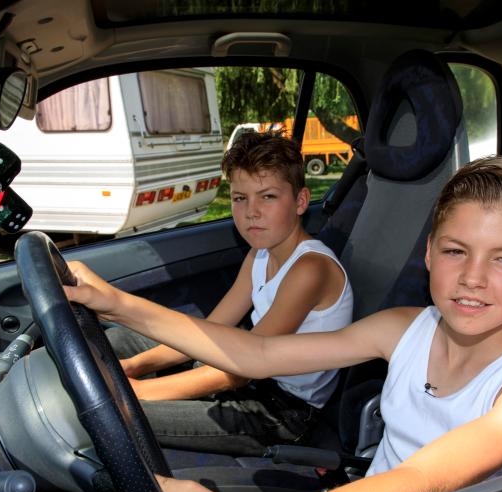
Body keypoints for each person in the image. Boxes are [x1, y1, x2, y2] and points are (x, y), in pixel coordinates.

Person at [12, 155, 502, 492]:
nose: (473, 277)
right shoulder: (404, 328)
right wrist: (115, 302)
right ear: (429, 252)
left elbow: (425, 480)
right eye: (456, 251)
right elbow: (256, 354)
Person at [107, 130, 353, 456]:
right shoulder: (259, 254)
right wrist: (136, 365)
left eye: (267, 197)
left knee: (118, 414)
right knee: (117, 341)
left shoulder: (310, 269)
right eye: (240, 198)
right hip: (252, 371)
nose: (251, 211)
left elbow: (238, 371)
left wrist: (140, 392)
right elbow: (212, 329)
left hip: (283, 411)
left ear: (300, 201)